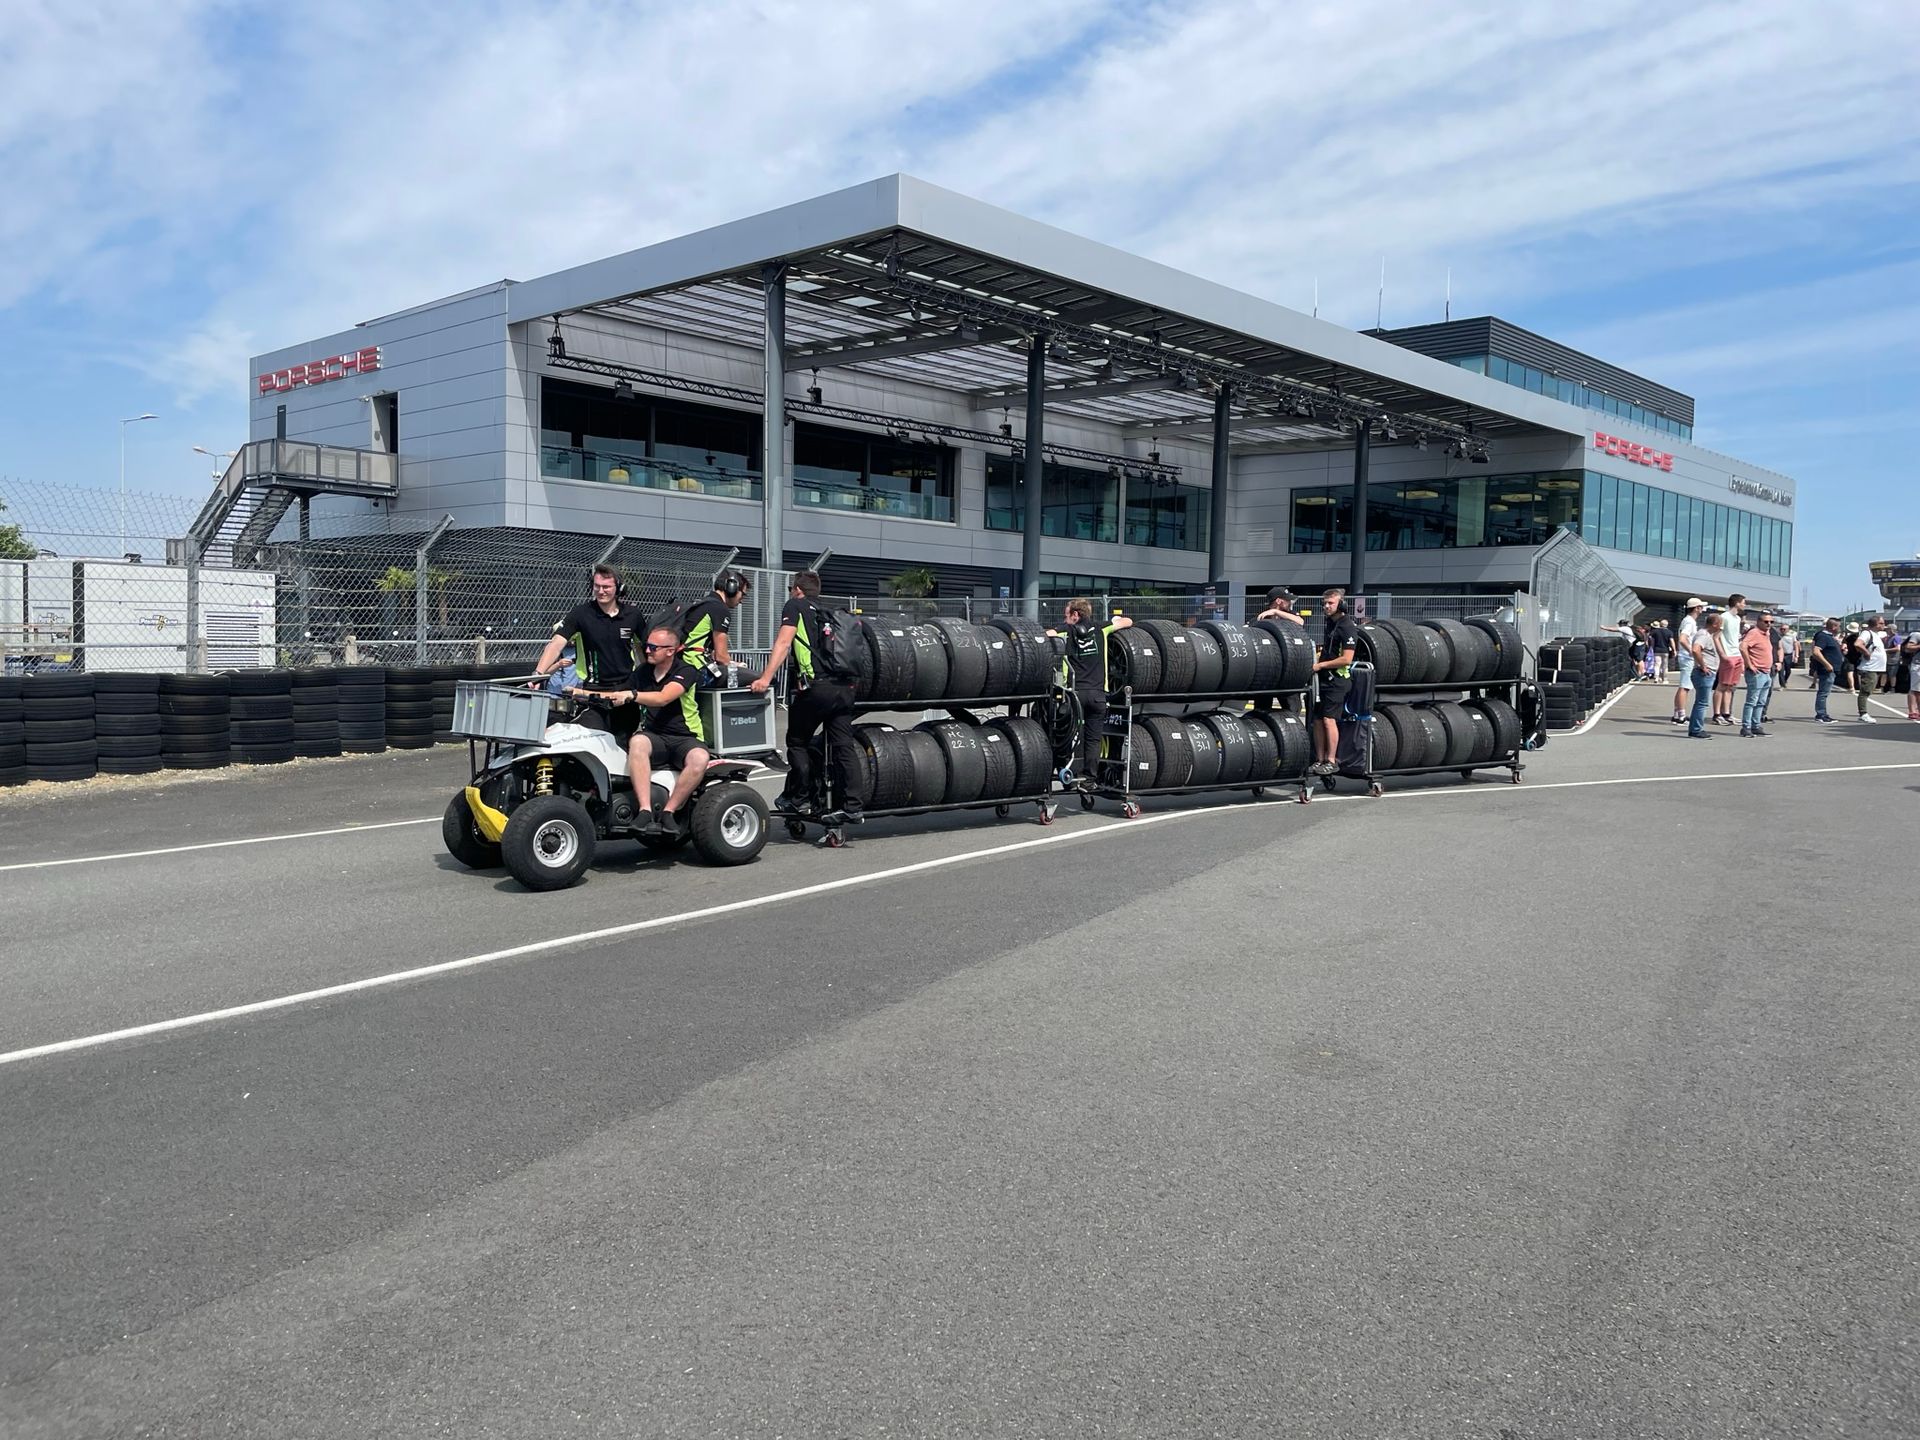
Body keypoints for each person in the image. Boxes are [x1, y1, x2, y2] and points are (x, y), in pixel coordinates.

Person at [751, 570, 862, 826]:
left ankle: (800, 799)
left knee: (797, 742)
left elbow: (783, 643)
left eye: (792, 588)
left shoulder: (795, 606)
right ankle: (853, 806)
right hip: (844, 688)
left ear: (798, 590)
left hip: (816, 689)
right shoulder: (829, 612)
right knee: (843, 746)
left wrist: (765, 678)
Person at [597, 626, 709, 836]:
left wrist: (632, 695)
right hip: (656, 735)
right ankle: (645, 811)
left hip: (685, 737)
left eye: (653, 647)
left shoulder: (686, 671)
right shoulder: (643, 671)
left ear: (670, 651)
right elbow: (619, 693)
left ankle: (669, 812)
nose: (647, 650)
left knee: (700, 758)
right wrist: (580, 692)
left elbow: (663, 698)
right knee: (638, 742)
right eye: (647, 646)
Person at [531, 562, 645, 744]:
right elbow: (556, 644)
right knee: (589, 740)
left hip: (624, 691)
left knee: (622, 745)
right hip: (593, 692)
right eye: (597, 586)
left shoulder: (633, 615)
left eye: (606, 587)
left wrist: (648, 680)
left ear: (619, 588)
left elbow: (643, 649)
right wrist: (538, 674)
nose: (601, 591)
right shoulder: (581, 613)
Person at [1047, 599, 1133, 790]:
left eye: (1066, 615)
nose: (1065, 618)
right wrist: (1115, 619)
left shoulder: (1066, 630)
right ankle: (1089, 780)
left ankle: (1066, 774)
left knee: (1066, 735)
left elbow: (1047, 635)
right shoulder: (1101, 628)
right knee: (1093, 739)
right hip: (1097, 696)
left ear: (1075, 615)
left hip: (1074, 695)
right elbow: (1128, 621)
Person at [1307, 586, 1358, 775]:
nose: (1326, 606)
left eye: (1330, 603)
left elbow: (1347, 659)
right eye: (1324, 603)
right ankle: (1319, 759)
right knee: (1317, 719)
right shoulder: (1330, 623)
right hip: (1324, 679)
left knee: (1329, 720)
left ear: (1341, 604)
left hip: (1338, 679)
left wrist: (1321, 665)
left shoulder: (1347, 627)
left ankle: (1331, 760)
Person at [676, 568, 751, 688]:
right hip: (695, 667)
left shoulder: (704, 604)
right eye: (743, 594)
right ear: (732, 588)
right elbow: (722, 657)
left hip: (681, 664)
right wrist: (736, 665)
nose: (741, 601)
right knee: (760, 679)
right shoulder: (719, 609)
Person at [1686, 607, 1721, 738]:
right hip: (1704, 673)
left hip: (1706, 672)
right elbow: (1696, 649)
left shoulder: (1708, 635)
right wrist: (1703, 665)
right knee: (1702, 703)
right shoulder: (1704, 635)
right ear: (1715, 624)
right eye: (1720, 624)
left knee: (1701, 702)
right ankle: (1696, 729)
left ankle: (1695, 728)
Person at [1713, 593, 1747, 725]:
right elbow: (1716, 637)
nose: (1744, 605)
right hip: (1728, 655)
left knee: (1731, 686)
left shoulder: (1737, 618)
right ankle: (1717, 714)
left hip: (1736, 654)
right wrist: (1722, 654)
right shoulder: (1724, 617)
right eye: (1743, 602)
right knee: (1722, 685)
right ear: (1737, 603)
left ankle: (1726, 713)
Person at [1738, 612, 1775, 737]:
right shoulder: (1754, 633)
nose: (1769, 624)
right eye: (1766, 621)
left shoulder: (1767, 634)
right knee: (1752, 701)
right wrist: (1749, 664)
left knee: (1761, 702)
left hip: (1766, 672)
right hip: (1757, 672)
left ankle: (1756, 725)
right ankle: (1746, 727)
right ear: (1759, 622)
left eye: (1771, 622)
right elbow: (1743, 647)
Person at [1671, 598, 1704, 726]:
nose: (1702, 609)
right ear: (1696, 608)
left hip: (1685, 656)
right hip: (1687, 658)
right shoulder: (1689, 622)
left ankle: (1677, 713)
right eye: (1700, 607)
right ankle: (1681, 716)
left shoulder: (1688, 620)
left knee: (1684, 685)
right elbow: (1683, 639)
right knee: (1685, 686)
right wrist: (1691, 651)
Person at [1851, 616, 1888, 721]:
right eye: (1882, 623)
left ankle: (1863, 713)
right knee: (1865, 691)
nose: (1884, 625)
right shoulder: (1867, 633)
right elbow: (1857, 644)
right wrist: (1866, 653)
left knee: (1869, 690)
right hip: (1869, 667)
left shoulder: (1876, 635)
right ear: (1876, 624)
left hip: (1875, 667)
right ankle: (1863, 713)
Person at [1809, 617, 1843, 723]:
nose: (1840, 628)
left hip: (1831, 669)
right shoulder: (1823, 636)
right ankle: (1821, 714)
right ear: (1834, 626)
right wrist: (1827, 664)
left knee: (1824, 692)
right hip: (1827, 670)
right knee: (1823, 692)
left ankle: (1822, 713)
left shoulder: (1830, 637)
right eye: (1839, 626)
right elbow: (1816, 651)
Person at [1902, 630, 1920, 721]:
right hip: (1918, 665)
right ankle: (1913, 712)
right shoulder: (1917, 635)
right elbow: (1908, 647)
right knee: (1915, 689)